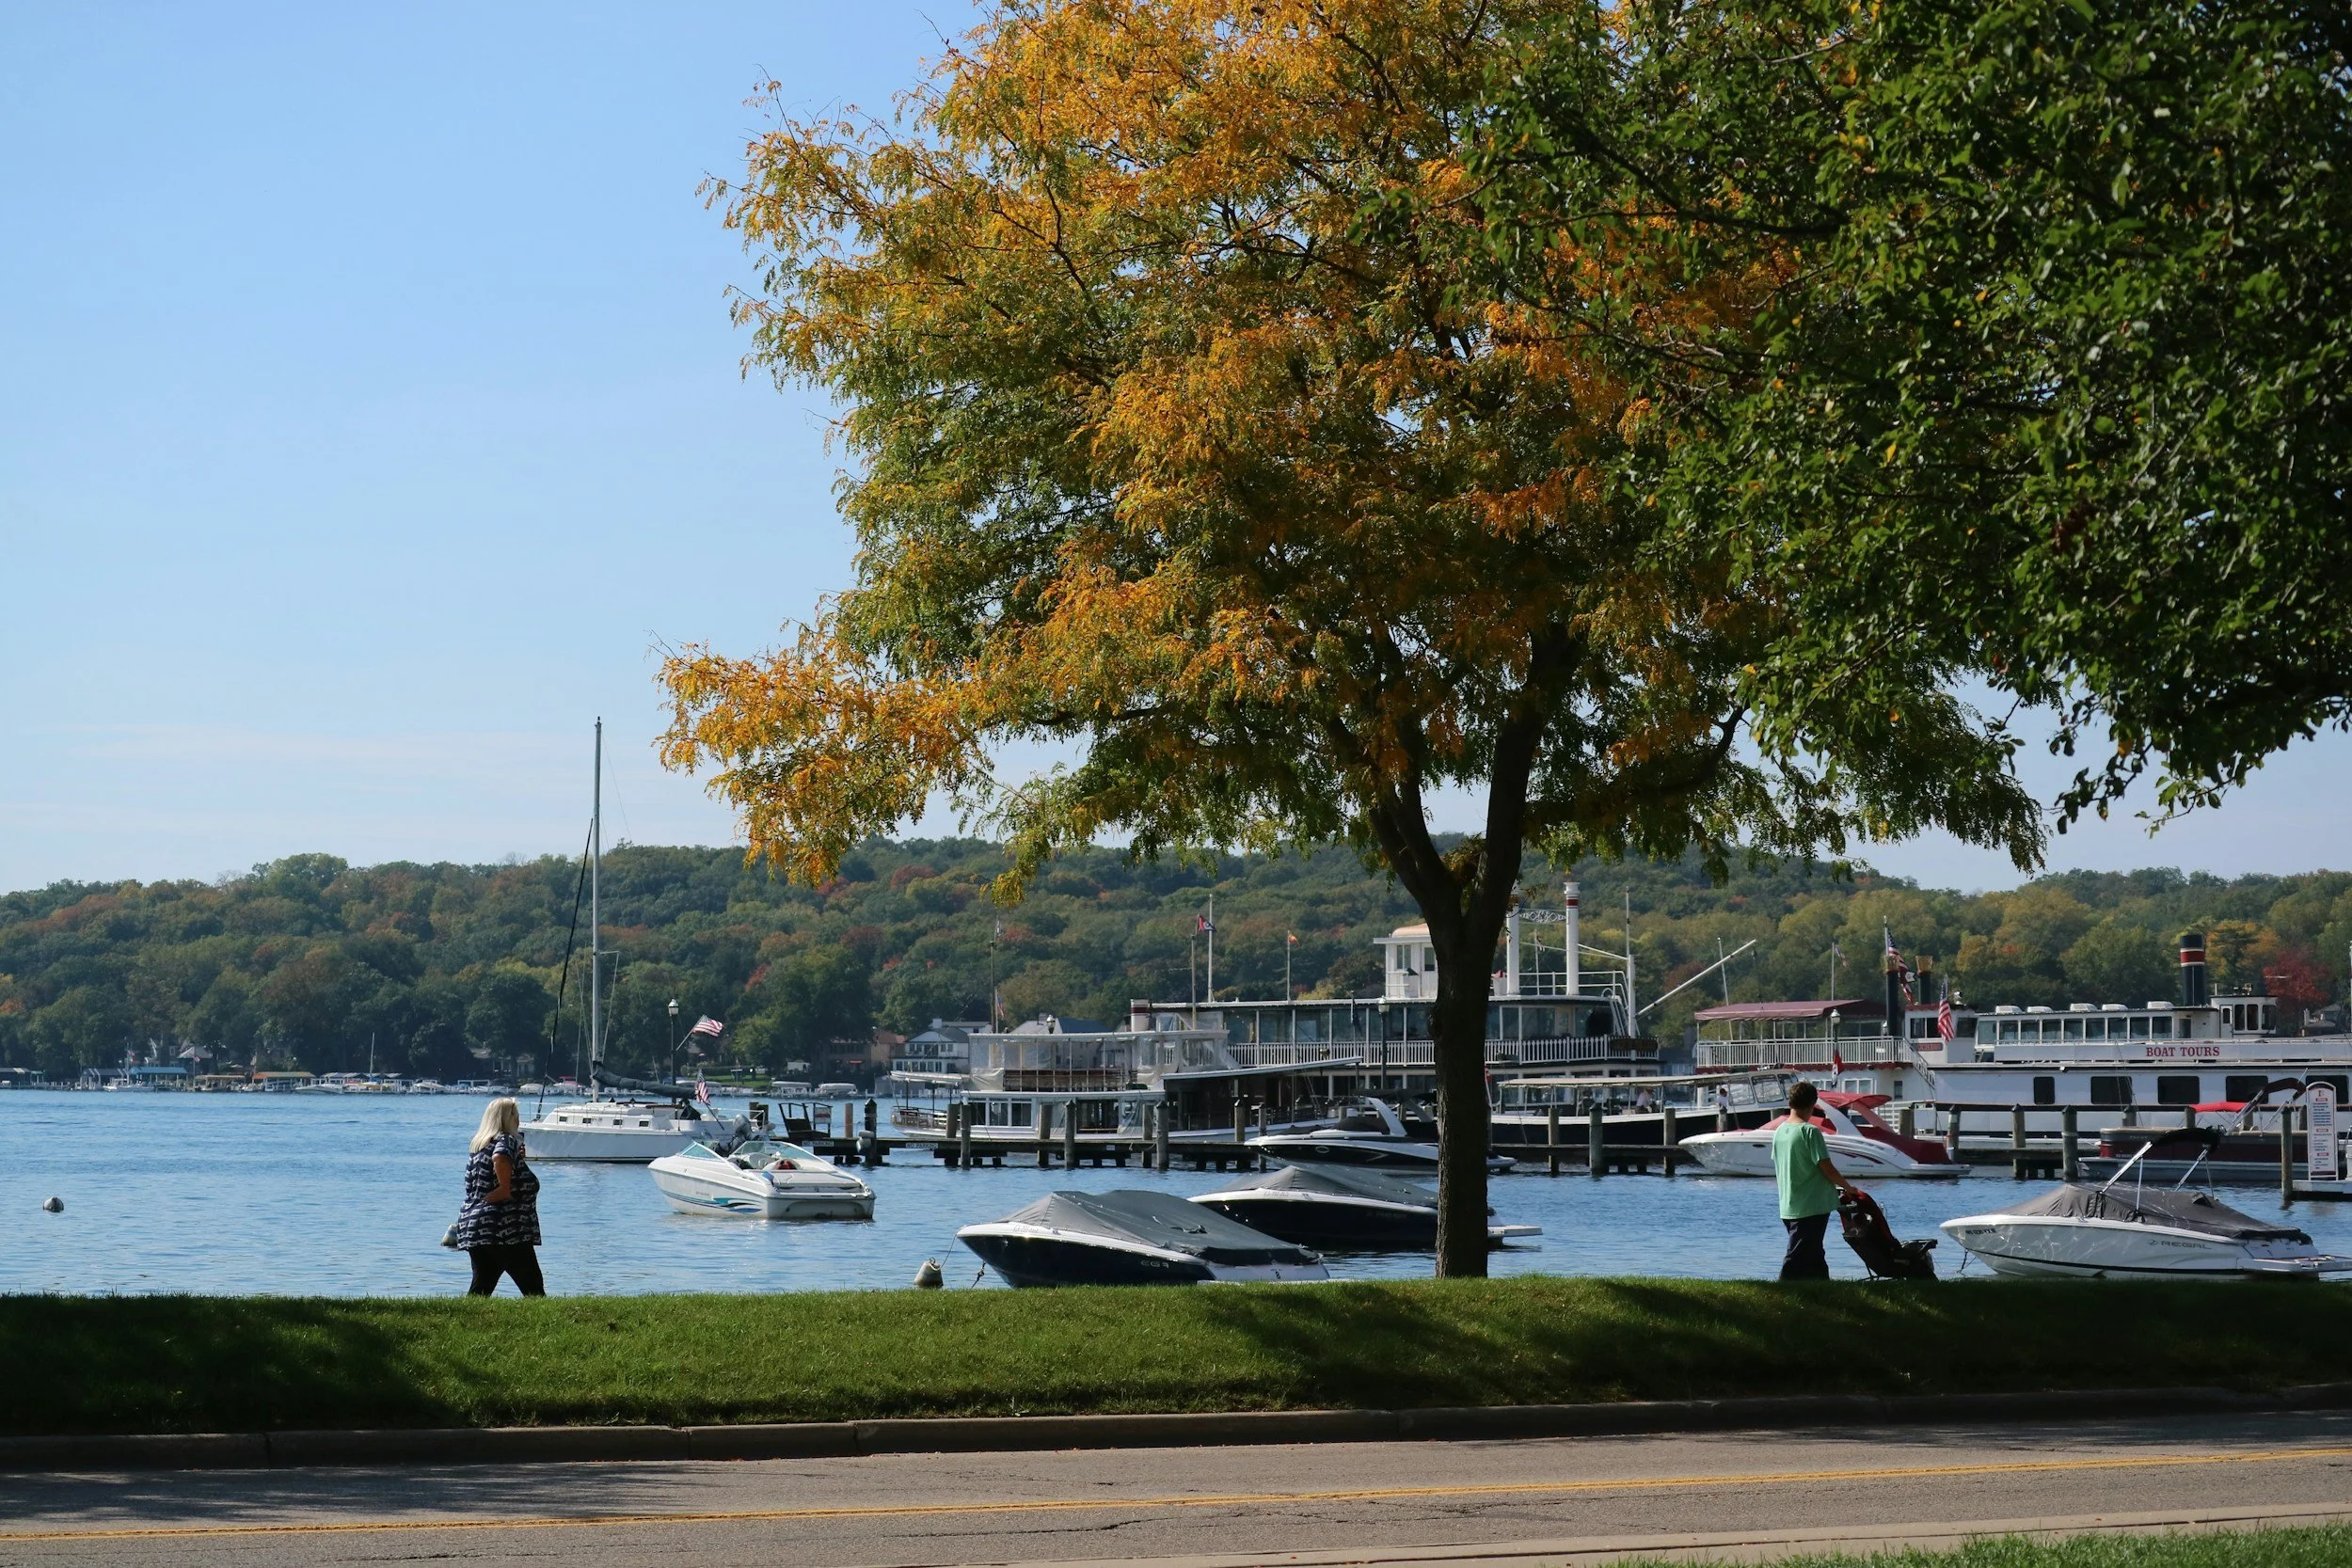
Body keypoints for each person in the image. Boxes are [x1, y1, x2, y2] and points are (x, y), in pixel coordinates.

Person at [452, 1097, 544, 1296]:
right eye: (516, 1116)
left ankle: (468, 1315)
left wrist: (517, 1160)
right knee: (534, 1289)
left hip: (475, 1226)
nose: (518, 1121)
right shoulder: (506, 1140)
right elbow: (500, 1157)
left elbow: (492, 1171)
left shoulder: (479, 1146)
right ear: (508, 1119)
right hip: (505, 1227)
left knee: (481, 1286)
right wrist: (504, 1188)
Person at [1772, 1081, 1857, 1280]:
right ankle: (1781, 1289)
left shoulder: (1780, 1131)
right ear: (1813, 1104)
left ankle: (1823, 1286)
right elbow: (1826, 1166)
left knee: (1814, 1252)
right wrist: (1848, 1187)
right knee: (1796, 1255)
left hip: (1789, 1203)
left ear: (1790, 1103)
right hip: (1811, 1205)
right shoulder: (1809, 1131)